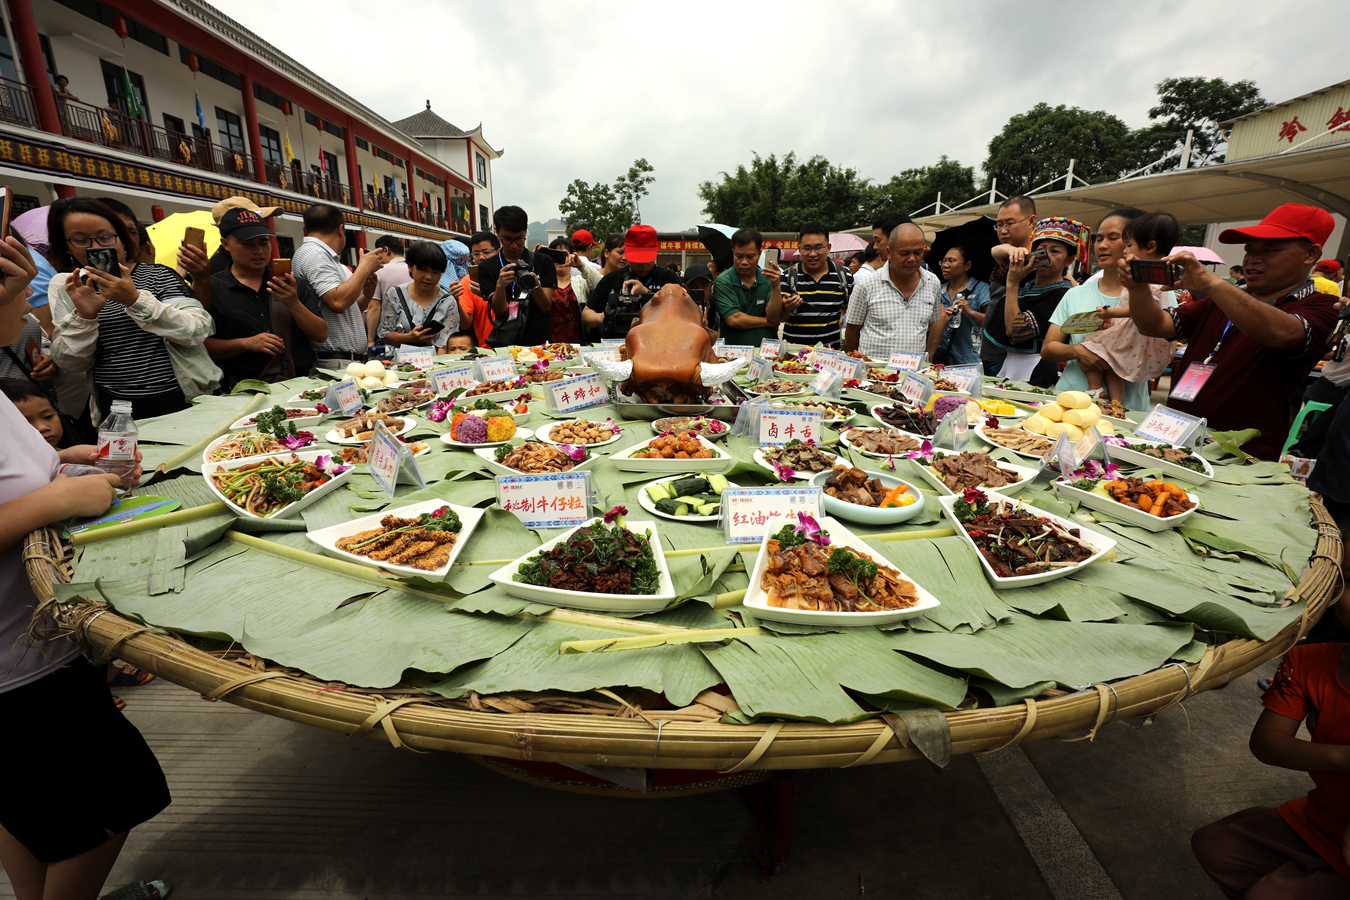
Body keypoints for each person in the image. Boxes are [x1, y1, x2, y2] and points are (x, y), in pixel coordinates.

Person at [0, 234, 172, 900]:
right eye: (13, 282)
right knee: (107, 806)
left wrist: (71, 464)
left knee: (27, 810)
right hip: (16, 670)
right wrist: (61, 495)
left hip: (35, 640)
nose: (28, 290)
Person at [1124, 203, 1340, 461]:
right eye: (1250, 250)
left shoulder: (1322, 305)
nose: (1253, 259)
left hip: (1241, 457)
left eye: (1270, 250)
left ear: (1310, 254)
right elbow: (1155, 325)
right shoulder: (1222, 299)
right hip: (1172, 437)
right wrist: (1137, 289)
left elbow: (1284, 333)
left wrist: (1213, 284)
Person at [1191, 636, 1350, 898]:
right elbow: (1267, 742)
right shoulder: (1306, 659)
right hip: (1324, 817)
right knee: (1215, 845)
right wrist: (1342, 757)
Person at [48, 197, 218, 420]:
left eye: (105, 237)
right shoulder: (71, 288)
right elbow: (69, 362)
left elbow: (198, 329)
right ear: (66, 246)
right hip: (116, 410)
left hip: (183, 399)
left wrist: (135, 300)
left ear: (122, 238)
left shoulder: (159, 275)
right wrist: (85, 317)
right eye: (80, 240)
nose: (96, 247)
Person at [1041, 209, 1155, 409]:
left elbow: (1166, 353)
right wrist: (1080, 351)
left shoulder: (1155, 293)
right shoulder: (1076, 294)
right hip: (1071, 402)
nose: (1102, 246)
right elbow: (1049, 348)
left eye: (1113, 238)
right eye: (1099, 239)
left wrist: (1118, 357)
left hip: (1129, 410)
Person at [205, 208, 328, 388]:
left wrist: (293, 303)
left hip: (299, 388)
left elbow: (321, 334)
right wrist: (246, 343)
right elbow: (204, 345)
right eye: (247, 244)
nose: (258, 250)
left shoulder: (293, 283)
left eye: (264, 242)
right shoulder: (212, 288)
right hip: (242, 392)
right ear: (226, 244)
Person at [1076, 212, 1181, 404]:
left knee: (1090, 347)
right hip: (1129, 333)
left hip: (1133, 335)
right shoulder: (1156, 276)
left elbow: (1139, 311)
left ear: (1150, 246)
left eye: (1129, 245)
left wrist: (1112, 313)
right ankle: (1116, 403)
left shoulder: (1147, 277)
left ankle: (1095, 389)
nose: (1125, 250)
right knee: (1114, 367)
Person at [985, 216, 1087, 386]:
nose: (1046, 256)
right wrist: (1013, 251)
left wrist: (1012, 284)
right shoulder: (1026, 277)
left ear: (1069, 260)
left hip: (1037, 369)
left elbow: (1016, 330)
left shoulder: (1063, 293)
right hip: (1008, 364)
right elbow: (996, 252)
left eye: (1055, 251)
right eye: (1041, 249)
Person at [291, 203, 386, 370]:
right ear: (340, 229)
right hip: (334, 360)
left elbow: (348, 309)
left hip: (344, 360)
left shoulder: (327, 258)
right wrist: (363, 268)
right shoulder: (314, 253)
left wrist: (368, 294)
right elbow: (337, 302)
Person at [845, 222, 943, 360]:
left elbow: (934, 323)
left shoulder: (932, 283)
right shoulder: (866, 285)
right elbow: (851, 333)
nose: (912, 259)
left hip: (912, 375)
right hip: (873, 375)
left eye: (918, 252)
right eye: (904, 253)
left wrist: (928, 357)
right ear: (889, 252)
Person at [584, 225, 680, 340]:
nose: (643, 266)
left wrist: (646, 293)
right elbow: (586, 314)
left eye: (647, 260)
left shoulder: (668, 278)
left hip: (658, 342)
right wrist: (604, 317)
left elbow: (680, 311)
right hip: (617, 343)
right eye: (638, 261)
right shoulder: (611, 279)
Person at [479, 205, 556, 347]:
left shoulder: (543, 262)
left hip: (539, 343)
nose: (514, 245)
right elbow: (499, 311)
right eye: (507, 239)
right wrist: (500, 286)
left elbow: (545, 307)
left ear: (526, 231)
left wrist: (535, 285)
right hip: (505, 344)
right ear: (497, 232)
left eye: (520, 238)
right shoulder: (487, 267)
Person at [768, 222, 852, 348]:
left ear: (828, 248)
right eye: (807, 248)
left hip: (829, 356)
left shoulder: (844, 276)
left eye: (818, 247)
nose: (813, 254)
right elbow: (779, 318)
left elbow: (849, 311)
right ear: (800, 249)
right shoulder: (787, 276)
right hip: (793, 358)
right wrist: (787, 307)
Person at [981, 196, 1039, 375]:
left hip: (1018, 354)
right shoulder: (1007, 256)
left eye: (1010, 223)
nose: (1003, 230)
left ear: (1031, 222)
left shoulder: (1039, 260)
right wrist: (1012, 250)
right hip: (990, 347)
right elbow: (996, 250)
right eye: (999, 225)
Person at [375, 240, 460, 354]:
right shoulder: (395, 294)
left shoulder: (447, 301)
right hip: (401, 365)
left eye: (435, 272)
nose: (428, 277)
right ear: (410, 267)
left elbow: (445, 343)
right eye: (423, 270)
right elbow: (384, 334)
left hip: (435, 363)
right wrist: (409, 338)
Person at [713, 228, 781, 346]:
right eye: (739, 256)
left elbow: (774, 317)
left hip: (767, 352)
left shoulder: (768, 279)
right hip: (734, 353)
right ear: (733, 252)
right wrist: (767, 321)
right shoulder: (723, 281)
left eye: (750, 256)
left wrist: (776, 287)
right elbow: (734, 319)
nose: (744, 262)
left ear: (759, 254)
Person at [934, 245, 989, 367]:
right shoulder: (938, 289)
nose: (945, 265)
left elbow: (993, 323)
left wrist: (971, 312)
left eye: (951, 261)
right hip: (941, 358)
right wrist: (941, 316)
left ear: (967, 265)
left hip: (970, 359)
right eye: (943, 261)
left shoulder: (981, 289)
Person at [366, 235, 409, 346]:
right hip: (417, 330)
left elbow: (374, 307)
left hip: (391, 335)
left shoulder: (380, 271)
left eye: (378, 254)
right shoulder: (414, 270)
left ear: (386, 250)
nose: (377, 258)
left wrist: (370, 340)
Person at [461, 231, 498, 348]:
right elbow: (465, 324)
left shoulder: (509, 276)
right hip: (486, 350)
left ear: (498, 252)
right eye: (476, 254)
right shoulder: (467, 282)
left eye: (486, 252)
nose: (481, 257)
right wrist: (455, 300)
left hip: (516, 348)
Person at [546, 237, 582, 343]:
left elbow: (600, 284)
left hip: (577, 342)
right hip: (549, 343)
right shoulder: (544, 284)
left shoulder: (581, 282)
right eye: (556, 255)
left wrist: (581, 266)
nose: (560, 259)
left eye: (564, 255)